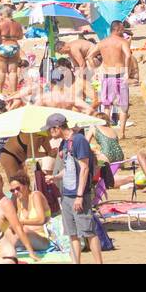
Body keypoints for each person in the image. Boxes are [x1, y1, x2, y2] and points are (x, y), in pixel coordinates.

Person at [47, 113, 103, 264]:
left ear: (58, 127)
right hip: (67, 194)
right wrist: (56, 177)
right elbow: (69, 167)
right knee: (72, 234)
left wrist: (79, 196)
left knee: (88, 231)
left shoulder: (79, 140)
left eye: (50, 130)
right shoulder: (65, 143)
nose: (49, 133)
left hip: (79, 194)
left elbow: (84, 168)